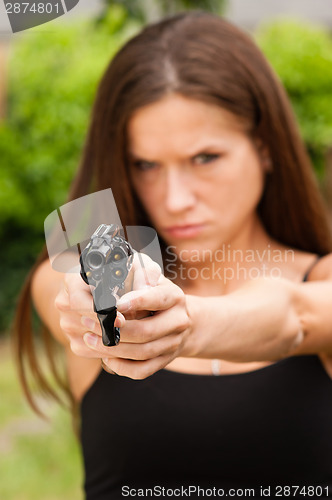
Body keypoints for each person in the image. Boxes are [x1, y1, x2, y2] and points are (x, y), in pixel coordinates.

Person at [13, 10, 332, 500]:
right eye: (145, 165)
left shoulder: (321, 281)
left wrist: (189, 324)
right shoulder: (79, 276)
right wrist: (101, 285)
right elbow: (66, 268)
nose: (175, 198)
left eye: (205, 158)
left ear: (265, 148)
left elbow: (296, 316)